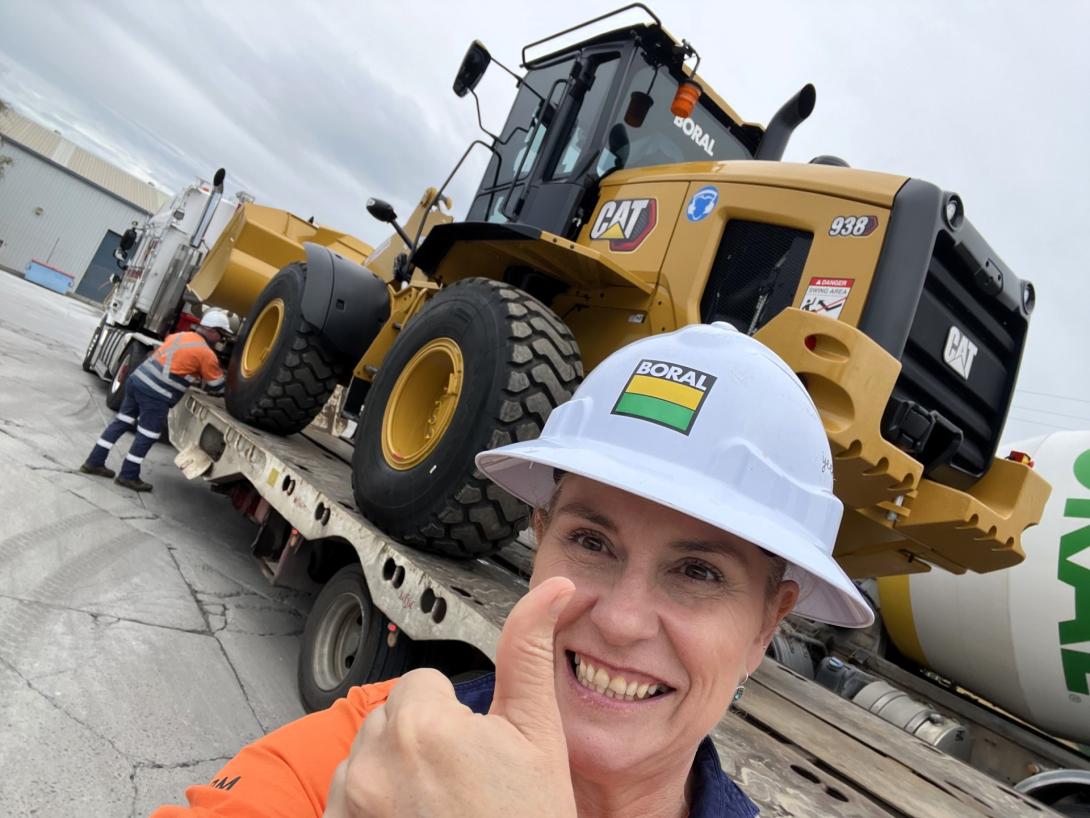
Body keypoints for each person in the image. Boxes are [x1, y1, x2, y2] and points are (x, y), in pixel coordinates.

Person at [151, 321, 874, 818]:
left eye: (699, 573)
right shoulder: (368, 747)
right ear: (540, 535)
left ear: (764, 629)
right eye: (592, 543)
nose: (621, 622)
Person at [81, 310, 231, 492]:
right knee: (147, 434)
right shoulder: (206, 354)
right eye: (221, 336)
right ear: (214, 331)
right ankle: (128, 476)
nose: (220, 340)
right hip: (156, 393)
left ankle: (94, 462)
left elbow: (175, 361)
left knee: (121, 422)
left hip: (136, 381)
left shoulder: (180, 336)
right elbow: (218, 387)